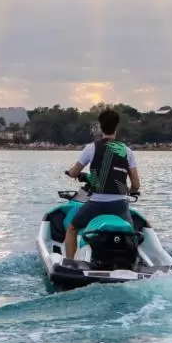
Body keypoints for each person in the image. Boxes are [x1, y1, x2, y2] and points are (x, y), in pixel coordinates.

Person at [63, 107, 145, 259]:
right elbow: (136, 184)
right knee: (130, 233)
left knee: (72, 228)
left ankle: (70, 263)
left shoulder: (91, 148)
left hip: (97, 204)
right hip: (120, 205)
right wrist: (133, 190)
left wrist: (71, 173)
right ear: (117, 127)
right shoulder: (127, 151)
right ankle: (135, 261)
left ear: (100, 127)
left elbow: (74, 172)